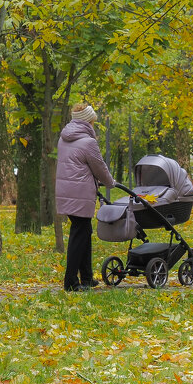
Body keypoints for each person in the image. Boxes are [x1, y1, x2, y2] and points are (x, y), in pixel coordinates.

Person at [55, 103, 113, 292]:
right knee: (79, 235)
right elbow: (99, 167)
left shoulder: (63, 139)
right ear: (88, 121)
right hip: (79, 194)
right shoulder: (89, 142)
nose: (94, 125)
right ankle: (70, 281)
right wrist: (111, 182)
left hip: (66, 192)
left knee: (83, 232)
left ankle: (87, 277)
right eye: (93, 121)